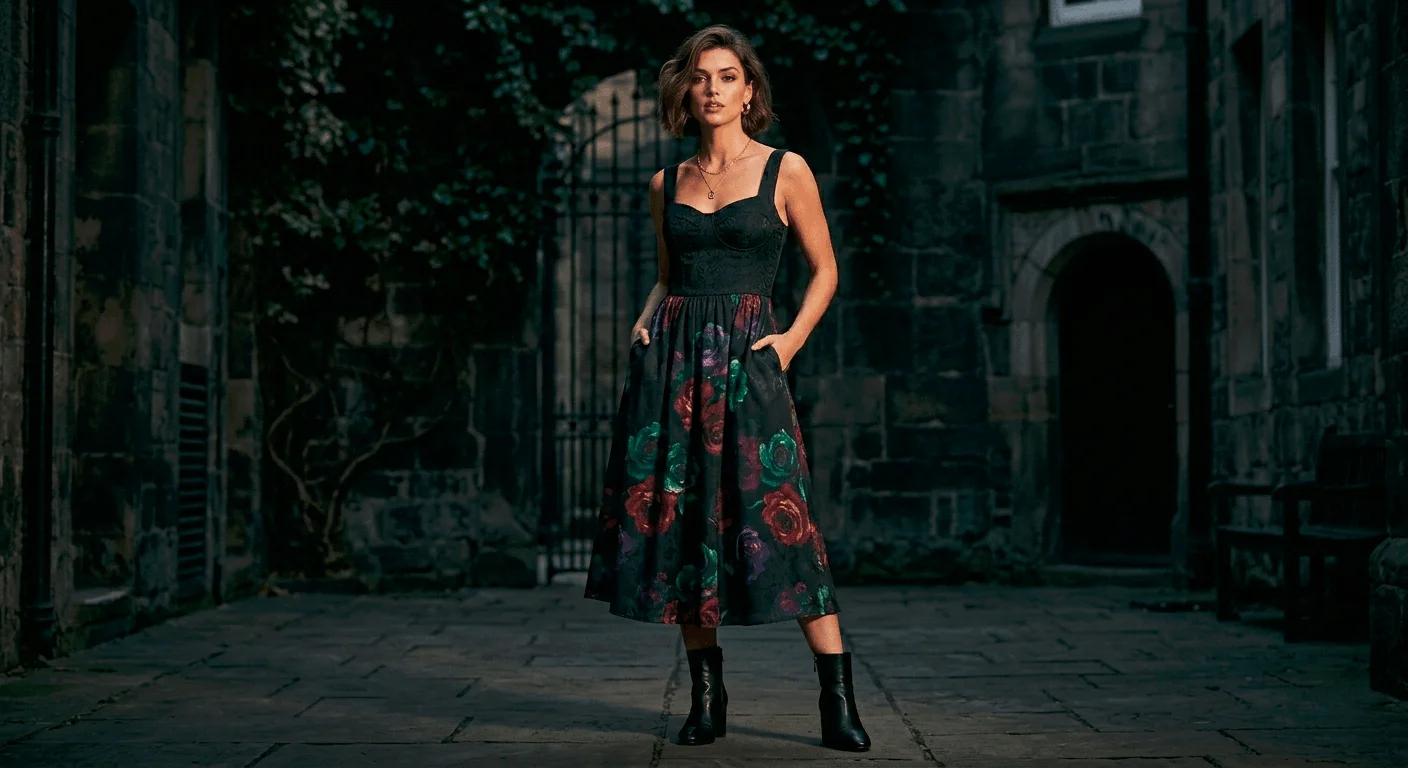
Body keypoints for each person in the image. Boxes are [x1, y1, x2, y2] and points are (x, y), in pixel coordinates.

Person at [582, 24, 870, 752]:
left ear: (750, 91)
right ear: (686, 90)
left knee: (786, 519)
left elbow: (826, 270)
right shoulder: (665, 183)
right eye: (701, 77)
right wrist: (643, 321)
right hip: (671, 368)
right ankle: (705, 696)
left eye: (727, 76)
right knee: (683, 529)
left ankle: (837, 700)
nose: (712, 88)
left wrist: (791, 342)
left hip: (752, 361)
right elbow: (667, 273)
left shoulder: (787, 170)